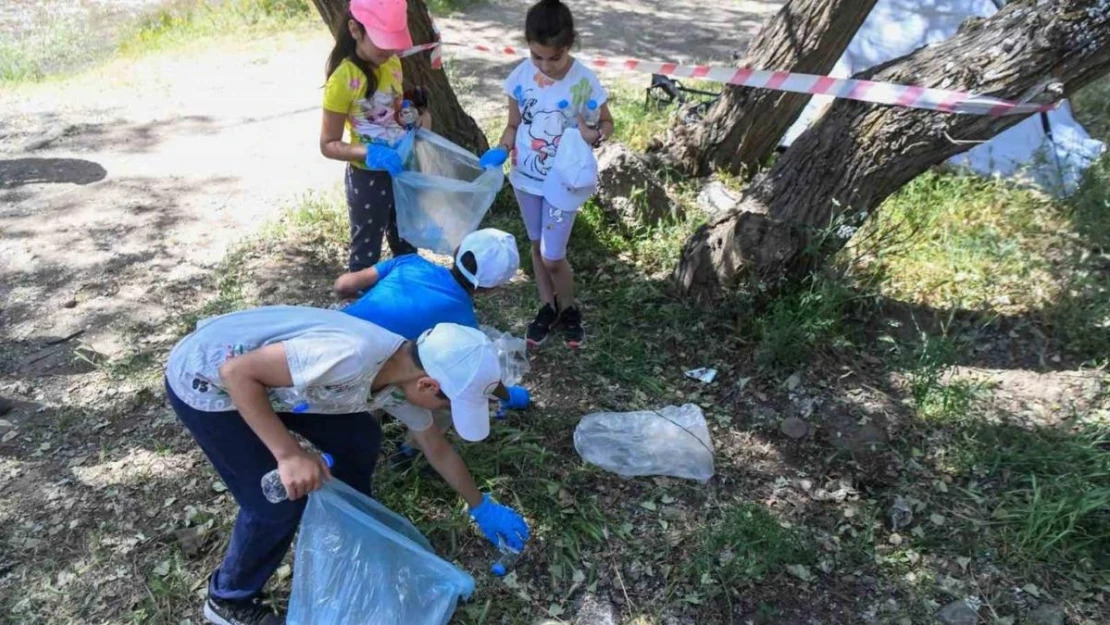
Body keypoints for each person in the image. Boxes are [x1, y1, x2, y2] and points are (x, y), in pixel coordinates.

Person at [166, 307, 529, 625]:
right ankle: (229, 598)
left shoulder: (402, 376)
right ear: (428, 384)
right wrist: (289, 454)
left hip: (278, 384)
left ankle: (352, 522)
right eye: (448, 404)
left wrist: (481, 506)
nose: (444, 412)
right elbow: (237, 373)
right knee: (276, 502)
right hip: (210, 383)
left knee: (359, 437)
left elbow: (437, 448)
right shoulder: (350, 356)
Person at [480, 0, 614, 349]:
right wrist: (502, 148)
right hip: (525, 178)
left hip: (563, 184)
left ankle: (570, 308)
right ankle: (547, 306)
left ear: (567, 47)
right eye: (536, 56)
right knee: (537, 246)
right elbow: (512, 124)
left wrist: (594, 135)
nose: (544, 65)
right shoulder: (521, 76)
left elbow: (606, 123)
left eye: (552, 58)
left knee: (554, 255)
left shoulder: (583, 81)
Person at [319, 0, 429, 273]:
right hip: (367, 178)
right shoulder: (343, 80)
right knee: (366, 251)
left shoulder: (391, 62)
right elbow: (328, 144)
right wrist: (368, 153)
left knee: (406, 241)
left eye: (393, 40)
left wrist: (413, 116)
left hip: (400, 169)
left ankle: (405, 296)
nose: (390, 48)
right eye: (382, 40)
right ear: (355, 30)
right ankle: (358, 307)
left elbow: (395, 107)